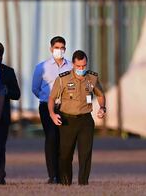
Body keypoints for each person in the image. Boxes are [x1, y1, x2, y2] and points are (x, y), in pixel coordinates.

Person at [48, 50, 106, 185]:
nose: (81, 69)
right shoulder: (63, 79)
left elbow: (100, 95)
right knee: (65, 154)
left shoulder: (92, 78)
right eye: (79, 66)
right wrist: (52, 114)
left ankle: (83, 182)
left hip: (85, 120)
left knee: (85, 153)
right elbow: (51, 99)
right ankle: (65, 182)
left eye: (84, 66)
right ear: (73, 64)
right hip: (67, 120)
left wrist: (102, 108)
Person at [31, 36, 72, 184]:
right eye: (56, 48)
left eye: (62, 48)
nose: (59, 51)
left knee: (63, 140)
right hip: (46, 107)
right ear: (51, 49)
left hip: (66, 107)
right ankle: (53, 175)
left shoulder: (71, 67)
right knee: (51, 137)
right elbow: (35, 88)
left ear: (65, 49)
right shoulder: (41, 67)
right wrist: (46, 99)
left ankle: (63, 174)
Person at [0, 42, 20, 185]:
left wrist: (5, 91)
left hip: (2, 117)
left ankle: (0, 178)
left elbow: (17, 94)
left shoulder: (8, 72)